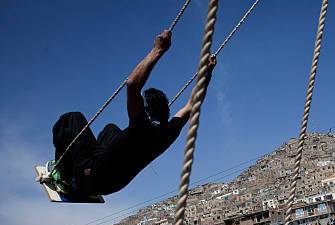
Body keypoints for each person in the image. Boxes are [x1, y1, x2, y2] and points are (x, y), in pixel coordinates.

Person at [48, 30, 216, 197]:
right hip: (112, 184)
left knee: (72, 119)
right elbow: (193, 104)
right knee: (111, 129)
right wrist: (206, 74)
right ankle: (86, 168)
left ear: (147, 112)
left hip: (91, 179)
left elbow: (132, 84)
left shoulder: (141, 126)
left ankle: (64, 176)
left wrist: (158, 50)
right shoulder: (168, 132)